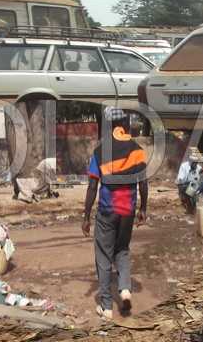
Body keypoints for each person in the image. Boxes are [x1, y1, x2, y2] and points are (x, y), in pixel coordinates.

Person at [82, 107, 148, 320]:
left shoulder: (100, 151)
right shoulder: (137, 149)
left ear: (109, 127)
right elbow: (143, 184)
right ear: (127, 126)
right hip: (127, 211)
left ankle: (107, 307)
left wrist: (85, 216)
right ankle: (125, 289)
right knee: (122, 250)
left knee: (103, 256)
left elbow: (93, 187)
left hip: (107, 211)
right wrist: (143, 209)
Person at [175, 148, 203, 214]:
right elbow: (180, 180)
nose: (196, 163)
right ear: (191, 161)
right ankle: (190, 206)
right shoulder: (184, 166)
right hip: (185, 187)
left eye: (197, 162)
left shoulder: (198, 167)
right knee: (194, 185)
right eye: (194, 162)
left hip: (194, 187)